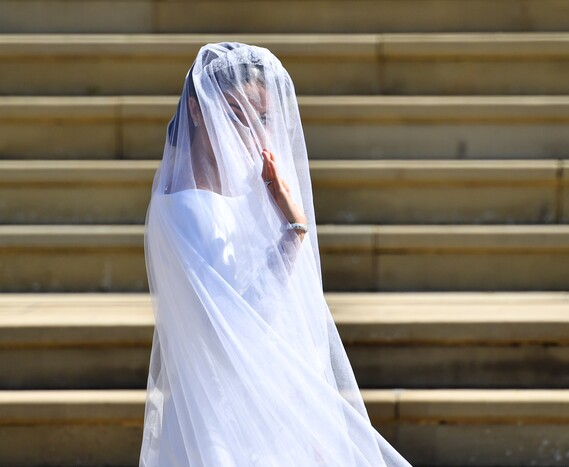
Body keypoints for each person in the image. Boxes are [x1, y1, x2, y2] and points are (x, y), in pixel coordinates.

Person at [138, 42, 413, 466]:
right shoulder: (185, 207)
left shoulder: (247, 191)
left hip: (263, 404)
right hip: (222, 421)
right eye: (235, 113)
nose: (250, 131)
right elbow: (238, 326)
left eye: (262, 117)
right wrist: (292, 230)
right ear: (197, 110)